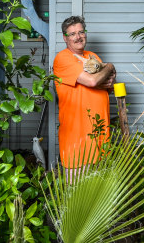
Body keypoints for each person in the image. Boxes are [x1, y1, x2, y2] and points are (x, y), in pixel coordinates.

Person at [53, 16, 116, 177]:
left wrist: (102, 75)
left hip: (100, 141)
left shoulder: (93, 56)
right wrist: (109, 66)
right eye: (72, 34)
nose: (78, 37)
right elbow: (94, 81)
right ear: (65, 38)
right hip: (77, 144)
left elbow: (108, 84)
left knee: (100, 197)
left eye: (81, 32)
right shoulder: (63, 58)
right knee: (76, 197)